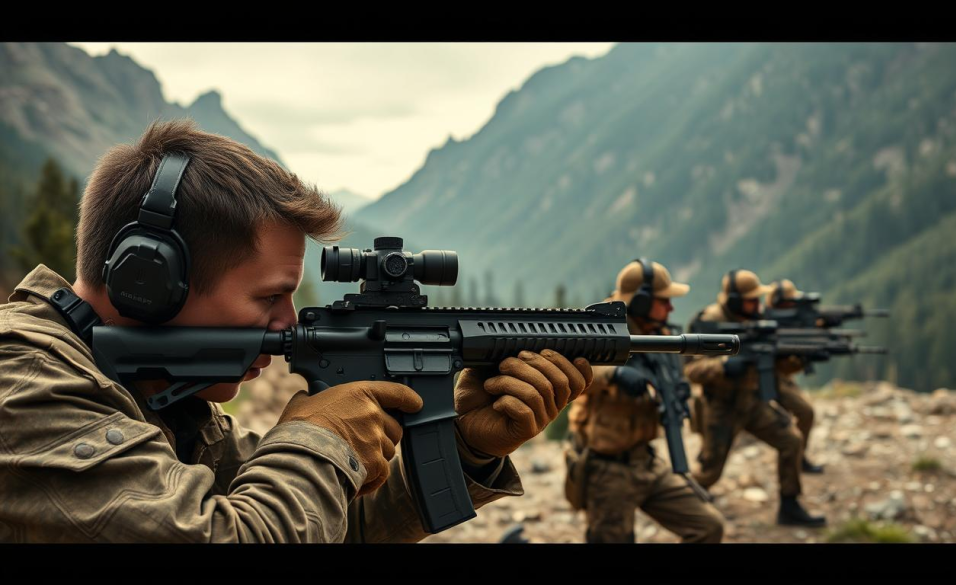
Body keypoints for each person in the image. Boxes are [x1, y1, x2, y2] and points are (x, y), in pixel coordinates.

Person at [0, 120, 593, 542]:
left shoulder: (155, 398)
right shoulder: (23, 385)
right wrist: (322, 435)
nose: (289, 321)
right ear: (149, 283)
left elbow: (320, 523)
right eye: (269, 297)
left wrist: (466, 446)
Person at [565, 259, 725, 543]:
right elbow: (573, 364)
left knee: (709, 526)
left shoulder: (659, 333)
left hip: (647, 462)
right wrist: (614, 373)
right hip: (608, 470)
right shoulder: (601, 326)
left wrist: (676, 390)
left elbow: (678, 372)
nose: (671, 308)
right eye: (664, 301)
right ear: (640, 302)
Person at [685, 269, 826, 527]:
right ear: (734, 300)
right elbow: (691, 369)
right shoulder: (710, 321)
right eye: (750, 300)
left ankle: (790, 505)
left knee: (792, 441)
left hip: (753, 402)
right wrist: (723, 366)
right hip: (722, 406)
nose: (757, 305)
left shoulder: (757, 320)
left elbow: (778, 368)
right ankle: (684, 507)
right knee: (708, 473)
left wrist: (795, 357)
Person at [765, 279, 824, 474]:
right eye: (788, 304)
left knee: (805, 413)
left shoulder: (792, 322)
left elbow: (785, 367)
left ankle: (799, 458)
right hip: (755, 380)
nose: (792, 307)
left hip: (777, 378)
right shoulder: (762, 321)